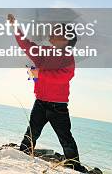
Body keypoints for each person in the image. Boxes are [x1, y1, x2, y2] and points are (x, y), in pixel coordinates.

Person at [7, 13, 87, 173]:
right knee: (32, 131)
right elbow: (26, 45)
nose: (51, 33)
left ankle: (73, 165)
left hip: (59, 107)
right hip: (40, 102)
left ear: (66, 40)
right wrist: (15, 27)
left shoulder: (68, 59)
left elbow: (62, 78)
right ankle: (23, 153)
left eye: (56, 32)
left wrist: (37, 72)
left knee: (65, 137)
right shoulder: (43, 52)